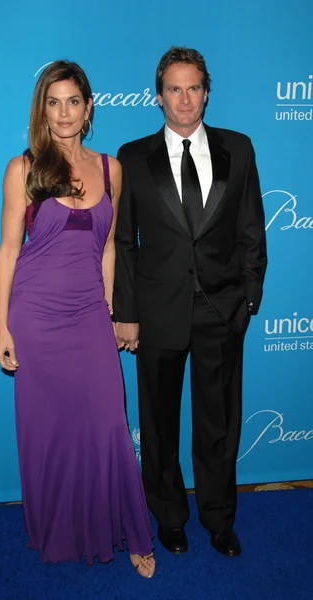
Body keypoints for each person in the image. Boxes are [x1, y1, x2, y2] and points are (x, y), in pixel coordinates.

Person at [0, 60, 155, 577]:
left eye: (73, 101)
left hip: (89, 313)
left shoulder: (112, 169)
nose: (63, 112)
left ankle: (130, 532)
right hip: (36, 317)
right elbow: (8, 252)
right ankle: (58, 529)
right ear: (42, 109)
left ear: (89, 108)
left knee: (109, 423)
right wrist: (1, 325)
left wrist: (107, 312)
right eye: (53, 101)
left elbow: (109, 247)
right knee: (51, 432)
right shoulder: (23, 169)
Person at [114, 47, 267, 558]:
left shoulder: (238, 150)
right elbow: (126, 243)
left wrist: (248, 298)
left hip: (222, 311)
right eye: (174, 89)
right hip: (157, 312)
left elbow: (251, 231)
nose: (185, 99)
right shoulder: (133, 157)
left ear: (206, 92)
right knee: (158, 424)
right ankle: (170, 517)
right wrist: (127, 312)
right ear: (158, 95)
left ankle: (219, 519)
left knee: (219, 425)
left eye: (194, 87)